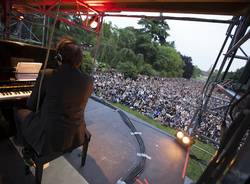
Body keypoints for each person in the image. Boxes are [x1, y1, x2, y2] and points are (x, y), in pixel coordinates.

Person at [14, 37, 93, 164]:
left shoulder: (48, 74)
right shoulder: (88, 81)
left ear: (59, 58)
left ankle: (26, 149)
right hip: (75, 133)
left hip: (49, 136)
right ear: (79, 61)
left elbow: (31, 105)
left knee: (19, 111)